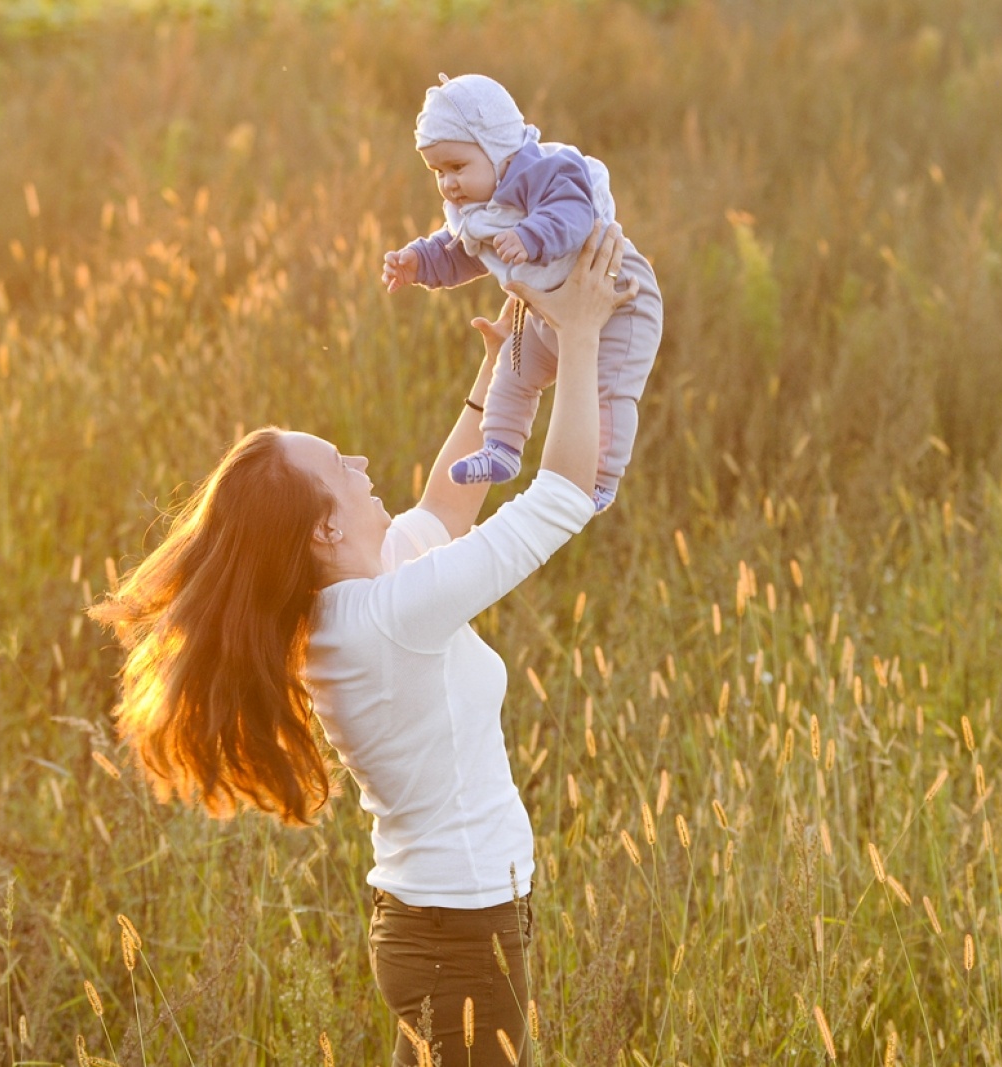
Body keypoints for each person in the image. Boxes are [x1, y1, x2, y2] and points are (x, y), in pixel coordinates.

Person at [90, 225, 638, 1067]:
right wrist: (582, 326)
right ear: (325, 526)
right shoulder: (385, 616)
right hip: (460, 932)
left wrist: (501, 376)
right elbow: (559, 497)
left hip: (437, 922)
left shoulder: (350, 606)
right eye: (340, 466)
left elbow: (447, 508)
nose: (361, 459)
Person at [382, 73, 662, 513]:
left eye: (457, 167)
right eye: (437, 172)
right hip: (548, 313)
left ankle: (602, 478)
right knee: (512, 369)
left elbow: (573, 210)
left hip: (619, 299)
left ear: (496, 148)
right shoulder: (478, 209)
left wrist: (532, 235)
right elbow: (459, 251)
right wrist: (418, 263)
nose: (449, 184)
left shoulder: (547, 169)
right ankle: (501, 448)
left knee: (609, 390)